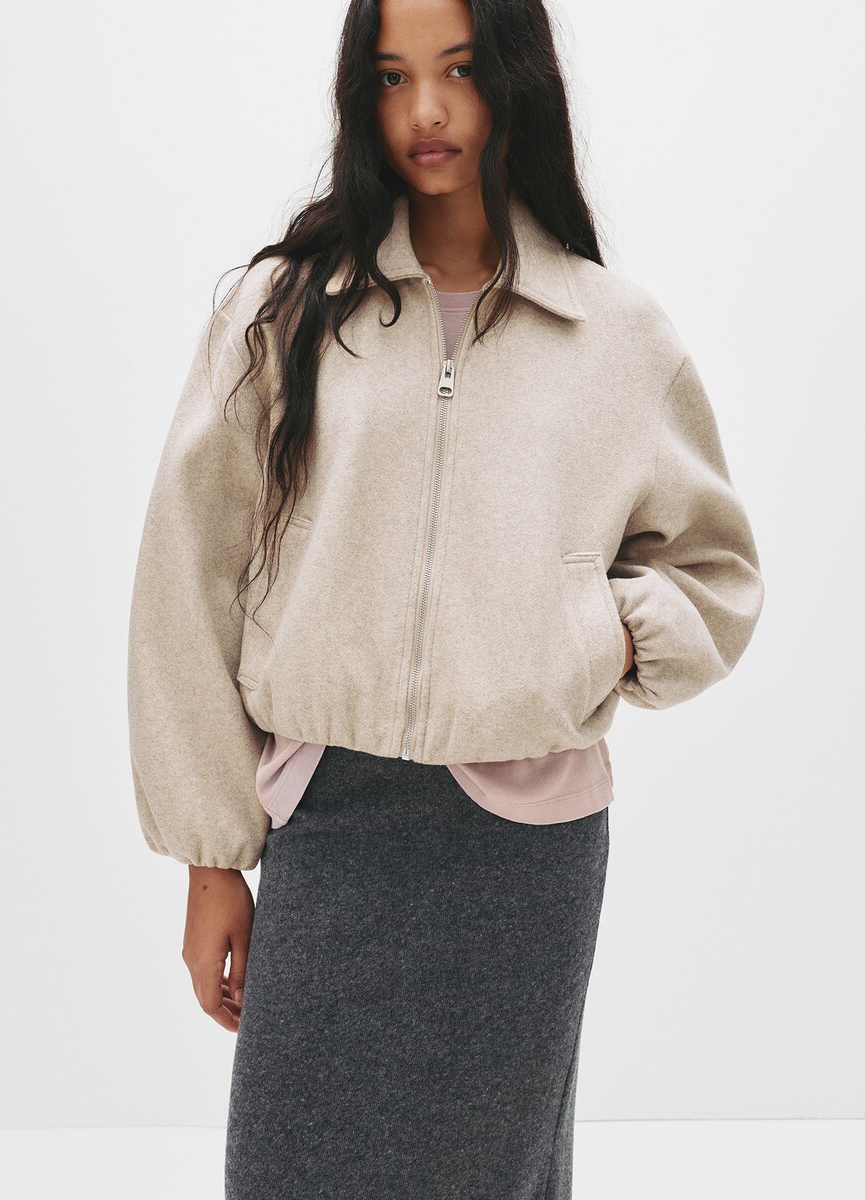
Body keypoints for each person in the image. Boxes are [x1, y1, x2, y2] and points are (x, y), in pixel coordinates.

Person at [126, 1, 765, 1195]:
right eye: (392, 76)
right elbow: (186, 578)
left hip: (526, 848)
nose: (426, 110)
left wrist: (597, 635)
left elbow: (716, 571)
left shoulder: (614, 336)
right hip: (330, 819)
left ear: (513, 77)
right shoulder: (284, 314)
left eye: (459, 70)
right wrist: (211, 861)